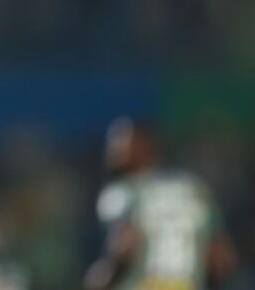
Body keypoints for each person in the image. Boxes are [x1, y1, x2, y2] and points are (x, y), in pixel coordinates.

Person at [85, 118, 237, 290]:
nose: (112, 148)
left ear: (143, 146)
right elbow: (221, 260)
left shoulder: (123, 192)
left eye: (120, 140)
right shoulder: (195, 190)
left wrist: (99, 280)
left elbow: (123, 248)